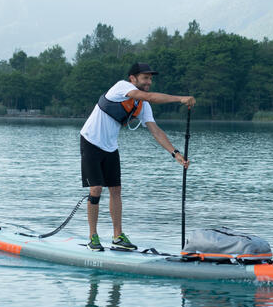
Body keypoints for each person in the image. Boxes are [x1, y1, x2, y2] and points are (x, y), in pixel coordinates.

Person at [79, 62, 196, 251]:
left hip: (110, 146)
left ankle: (117, 236)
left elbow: (155, 130)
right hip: (90, 140)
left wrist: (175, 153)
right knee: (96, 189)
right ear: (133, 79)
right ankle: (93, 237)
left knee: (116, 190)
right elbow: (148, 96)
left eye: (150, 78)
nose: (149, 82)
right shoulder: (122, 87)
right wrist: (180, 98)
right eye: (145, 78)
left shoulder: (143, 105)